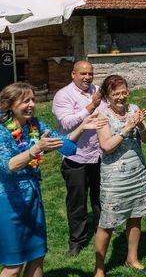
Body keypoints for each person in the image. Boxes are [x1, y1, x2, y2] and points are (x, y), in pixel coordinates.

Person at [1, 82, 96, 277]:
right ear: (9, 105)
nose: (31, 104)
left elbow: (67, 148)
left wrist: (82, 128)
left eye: (33, 100)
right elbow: (8, 166)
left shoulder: (35, 125)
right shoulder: (2, 131)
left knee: (37, 256)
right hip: (8, 201)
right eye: (25, 100)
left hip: (33, 198)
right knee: (14, 266)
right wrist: (34, 150)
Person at [94, 75, 146, 276]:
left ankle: (132, 259)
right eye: (115, 94)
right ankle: (100, 269)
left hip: (137, 173)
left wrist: (141, 124)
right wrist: (127, 127)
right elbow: (106, 146)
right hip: (115, 178)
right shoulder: (101, 115)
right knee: (108, 222)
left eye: (123, 92)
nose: (121, 97)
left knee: (136, 216)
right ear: (107, 96)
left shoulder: (134, 109)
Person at [52, 60, 104, 257]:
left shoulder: (97, 90)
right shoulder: (63, 95)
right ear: (72, 74)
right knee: (77, 201)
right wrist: (90, 107)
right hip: (75, 157)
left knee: (100, 197)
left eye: (90, 73)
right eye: (83, 74)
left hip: (98, 154)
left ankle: (103, 230)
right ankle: (77, 241)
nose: (87, 77)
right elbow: (66, 123)